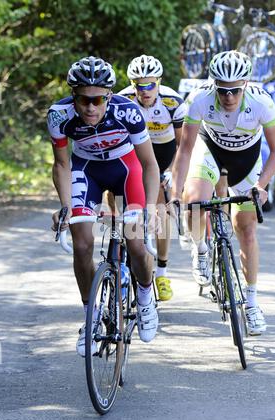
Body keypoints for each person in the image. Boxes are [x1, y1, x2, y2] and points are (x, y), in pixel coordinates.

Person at [48, 56, 160, 355]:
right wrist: (64, 206)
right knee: (82, 244)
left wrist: (148, 208)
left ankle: (147, 297)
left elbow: (149, 163)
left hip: (126, 168)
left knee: (136, 244)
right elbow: (61, 164)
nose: (90, 107)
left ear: (109, 95)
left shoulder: (128, 112)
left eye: (98, 99)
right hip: (86, 169)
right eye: (84, 99)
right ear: (75, 96)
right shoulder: (60, 115)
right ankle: (91, 315)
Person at [171, 50, 275, 335]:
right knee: (194, 202)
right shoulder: (199, 99)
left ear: (245, 84)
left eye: (235, 90)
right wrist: (175, 191)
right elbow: (184, 150)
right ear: (214, 85)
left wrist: (262, 186)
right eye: (223, 90)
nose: (229, 97)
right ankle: (200, 249)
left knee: (246, 231)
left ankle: (253, 303)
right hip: (210, 151)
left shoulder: (261, 102)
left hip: (247, 160)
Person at [118, 55, 187, 301]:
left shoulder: (173, 102)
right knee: (116, 199)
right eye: (139, 85)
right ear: (132, 85)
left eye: (150, 85)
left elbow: (183, 144)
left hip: (164, 150)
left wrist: (172, 171)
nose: (145, 90)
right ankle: (120, 257)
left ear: (158, 82)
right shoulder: (123, 101)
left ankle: (162, 272)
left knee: (159, 208)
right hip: (135, 151)